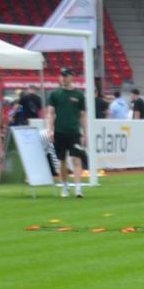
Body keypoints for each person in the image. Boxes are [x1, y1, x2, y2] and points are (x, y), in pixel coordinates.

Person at [46, 66, 89, 197]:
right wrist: (49, 130)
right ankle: (65, 186)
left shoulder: (79, 95)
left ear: (71, 77)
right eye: (61, 76)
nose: (63, 78)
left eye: (65, 76)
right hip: (59, 132)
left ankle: (78, 188)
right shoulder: (55, 94)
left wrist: (85, 133)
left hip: (74, 132)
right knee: (62, 160)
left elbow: (82, 115)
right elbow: (50, 113)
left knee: (76, 159)